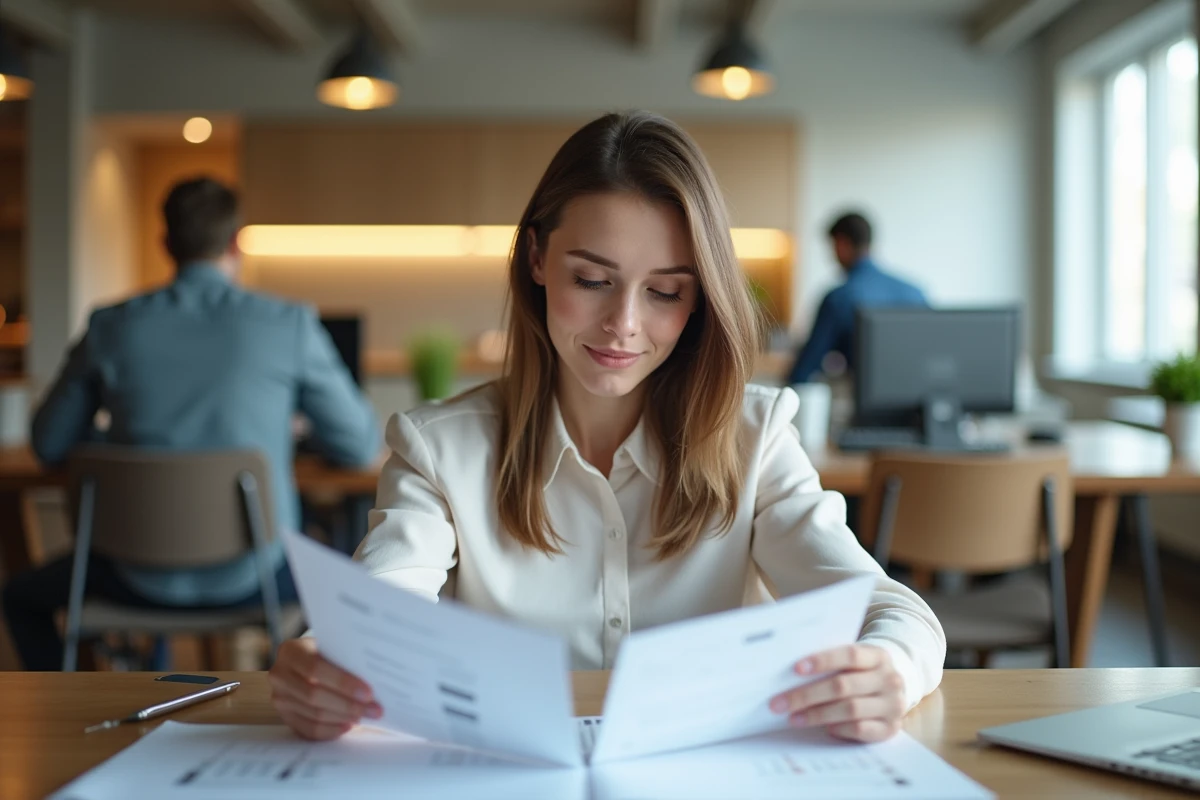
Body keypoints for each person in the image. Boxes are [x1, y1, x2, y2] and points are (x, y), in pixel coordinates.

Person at [268, 112, 945, 743]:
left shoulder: (755, 435)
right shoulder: (438, 447)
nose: (623, 324)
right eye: (593, 279)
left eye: (665, 291)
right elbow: (377, 619)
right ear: (536, 258)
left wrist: (891, 669)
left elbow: (897, 614)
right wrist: (329, 662)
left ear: (699, 297)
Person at [2, 177, 381, 670]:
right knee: (359, 590)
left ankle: (75, 719)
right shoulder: (287, 324)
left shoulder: (110, 326)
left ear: (166, 244)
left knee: (19, 598)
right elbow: (358, 445)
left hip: (131, 573)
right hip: (254, 577)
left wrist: (111, 441)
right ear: (236, 242)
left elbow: (49, 444)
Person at [787, 212, 928, 384]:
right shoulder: (915, 292)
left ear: (842, 244)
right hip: (917, 402)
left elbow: (806, 367)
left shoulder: (838, 298)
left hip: (864, 404)